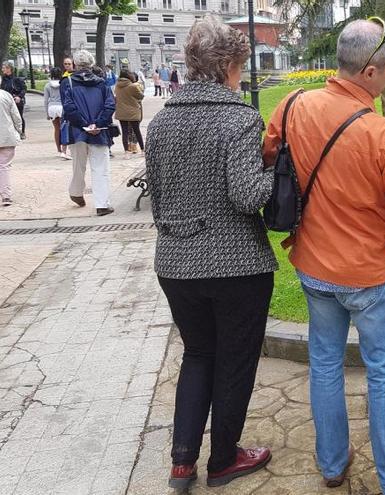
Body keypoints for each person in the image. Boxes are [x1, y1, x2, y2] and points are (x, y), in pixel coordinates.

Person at [262, 17, 385, 495]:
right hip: (369, 275)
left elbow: (268, 154)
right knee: (383, 372)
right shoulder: (383, 135)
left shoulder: (292, 104)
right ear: (370, 73)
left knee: (323, 363)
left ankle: (333, 465)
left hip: (314, 267)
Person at [145, 15, 276, 490]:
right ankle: (223, 459)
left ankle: (182, 461)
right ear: (225, 66)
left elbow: (157, 198)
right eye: (240, 65)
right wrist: (274, 166)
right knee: (235, 360)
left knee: (198, 353)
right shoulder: (240, 118)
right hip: (236, 265)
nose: (242, 74)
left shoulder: (161, 123)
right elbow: (247, 196)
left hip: (175, 265)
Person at [60, 50, 116, 216]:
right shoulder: (102, 83)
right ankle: (102, 204)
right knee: (101, 168)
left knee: (78, 165)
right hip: (100, 131)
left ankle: (76, 193)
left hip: (77, 131)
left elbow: (69, 108)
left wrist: (84, 125)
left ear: (75, 65)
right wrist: (97, 124)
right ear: (91, 64)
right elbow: (110, 105)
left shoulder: (67, 82)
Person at [114, 69, 145, 157]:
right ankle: (143, 150)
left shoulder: (117, 86)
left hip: (121, 111)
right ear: (129, 76)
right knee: (137, 131)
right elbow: (141, 96)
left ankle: (126, 152)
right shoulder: (133, 86)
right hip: (133, 112)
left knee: (125, 132)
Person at [0, 90, 22, 206]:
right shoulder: (6, 95)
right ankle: (6, 196)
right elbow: (16, 116)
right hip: (6, 135)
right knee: (4, 166)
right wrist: (19, 130)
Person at [45, 68, 70, 159]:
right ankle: (64, 149)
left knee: (56, 129)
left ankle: (58, 149)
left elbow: (45, 100)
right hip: (61, 106)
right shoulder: (63, 83)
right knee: (64, 128)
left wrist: (47, 113)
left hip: (52, 107)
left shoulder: (47, 85)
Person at [0, 63, 27, 139]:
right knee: (7, 117)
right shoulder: (2, 80)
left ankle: (22, 132)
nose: (2, 70)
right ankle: (11, 133)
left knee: (19, 116)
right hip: (6, 101)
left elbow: (24, 89)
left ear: (9, 69)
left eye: (4, 68)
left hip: (16, 101)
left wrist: (19, 97)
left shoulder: (17, 79)